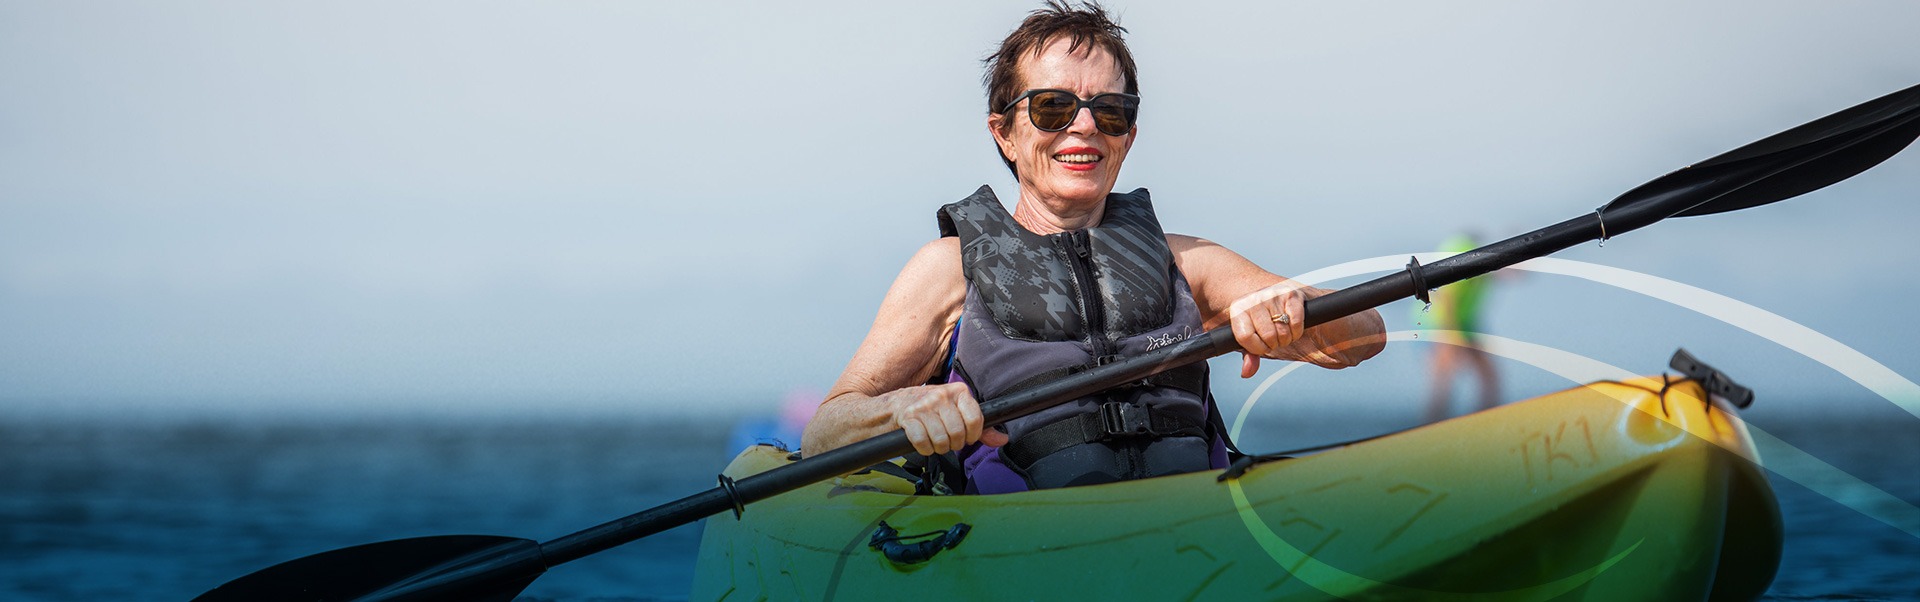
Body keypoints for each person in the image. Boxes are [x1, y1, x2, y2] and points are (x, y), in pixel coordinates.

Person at [800, 1, 1385, 494]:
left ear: (1129, 136)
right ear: (1003, 132)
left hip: (1192, 529)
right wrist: (900, 412)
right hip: (1024, 545)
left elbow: (1366, 334)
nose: (1083, 128)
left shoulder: (1191, 264)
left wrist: (1290, 307)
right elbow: (825, 430)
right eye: (1051, 108)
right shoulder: (947, 271)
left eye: (1109, 112)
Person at [1420, 234, 1502, 421]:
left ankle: (1486, 420)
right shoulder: (1471, 258)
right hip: (1439, 323)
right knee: (1444, 373)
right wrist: (1452, 338)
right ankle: (1431, 425)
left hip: (1463, 325)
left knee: (1488, 373)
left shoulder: (1488, 273)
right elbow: (1446, 299)